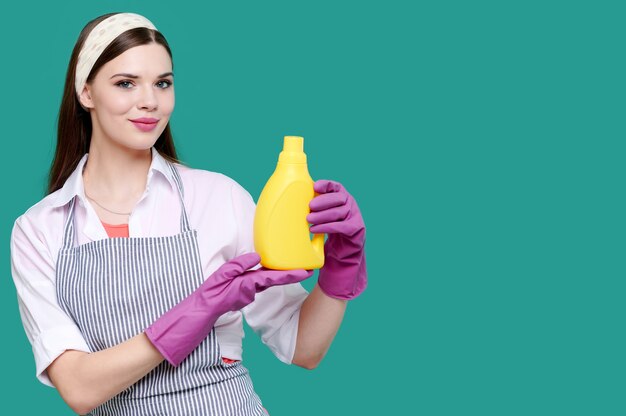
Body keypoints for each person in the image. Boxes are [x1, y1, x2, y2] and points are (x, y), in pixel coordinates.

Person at [10, 11, 367, 416]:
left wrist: (341, 268)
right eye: (126, 83)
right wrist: (198, 310)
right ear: (86, 92)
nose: (150, 101)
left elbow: (303, 348)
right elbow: (78, 388)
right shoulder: (40, 229)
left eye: (163, 83)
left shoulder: (218, 197)